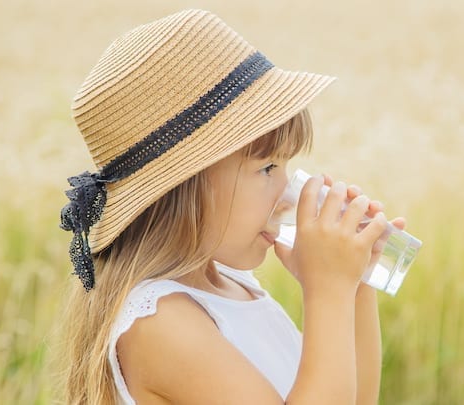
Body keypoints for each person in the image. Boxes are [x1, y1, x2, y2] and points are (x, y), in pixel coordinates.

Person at [59, 9, 405, 404]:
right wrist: (328, 293)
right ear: (186, 184)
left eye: (286, 166)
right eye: (267, 168)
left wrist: (353, 285)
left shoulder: (235, 289)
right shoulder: (161, 322)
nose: (286, 191)